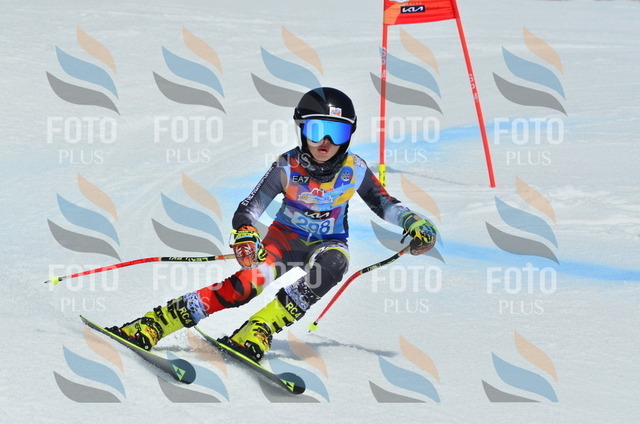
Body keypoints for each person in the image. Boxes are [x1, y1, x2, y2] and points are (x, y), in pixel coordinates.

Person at [109, 87, 437, 362]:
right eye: (315, 130)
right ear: (301, 130)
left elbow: (384, 204)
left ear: (349, 136)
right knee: (244, 287)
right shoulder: (287, 166)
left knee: (334, 265)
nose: (325, 141)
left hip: (328, 244)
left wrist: (412, 221)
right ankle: (155, 323)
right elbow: (250, 207)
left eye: (336, 132)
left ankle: (259, 329)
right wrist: (246, 233)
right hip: (284, 241)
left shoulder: (356, 169)